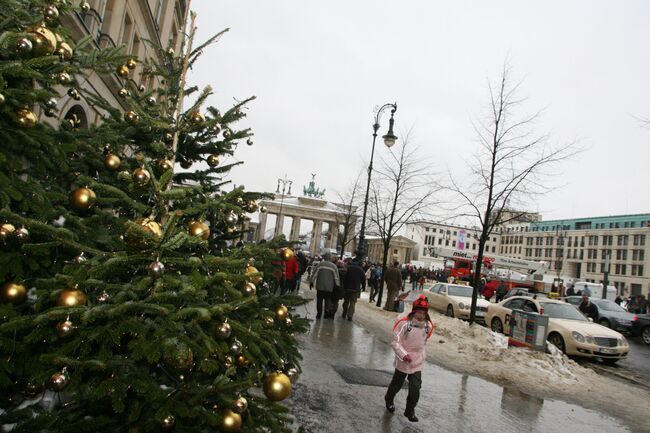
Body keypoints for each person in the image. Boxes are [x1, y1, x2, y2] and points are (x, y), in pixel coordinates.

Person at [384, 295, 435, 423]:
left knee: (415, 388)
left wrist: (420, 355)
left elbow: (424, 340)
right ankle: (389, 399)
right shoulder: (405, 324)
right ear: (413, 311)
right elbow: (396, 342)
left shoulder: (428, 326)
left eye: (423, 313)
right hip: (404, 360)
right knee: (397, 384)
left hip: (417, 362)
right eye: (418, 312)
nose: (421, 315)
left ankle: (410, 410)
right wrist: (403, 354)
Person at [310, 252, 340, 319]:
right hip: (329, 287)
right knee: (328, 300)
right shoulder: (334, 266)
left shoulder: (320, 265)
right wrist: (337, 285)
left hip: (320, 286)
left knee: (319, 301)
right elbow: (336, 277)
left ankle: (319, 314)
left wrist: (311, 282)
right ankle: (326, 313)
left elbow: (315, 274)